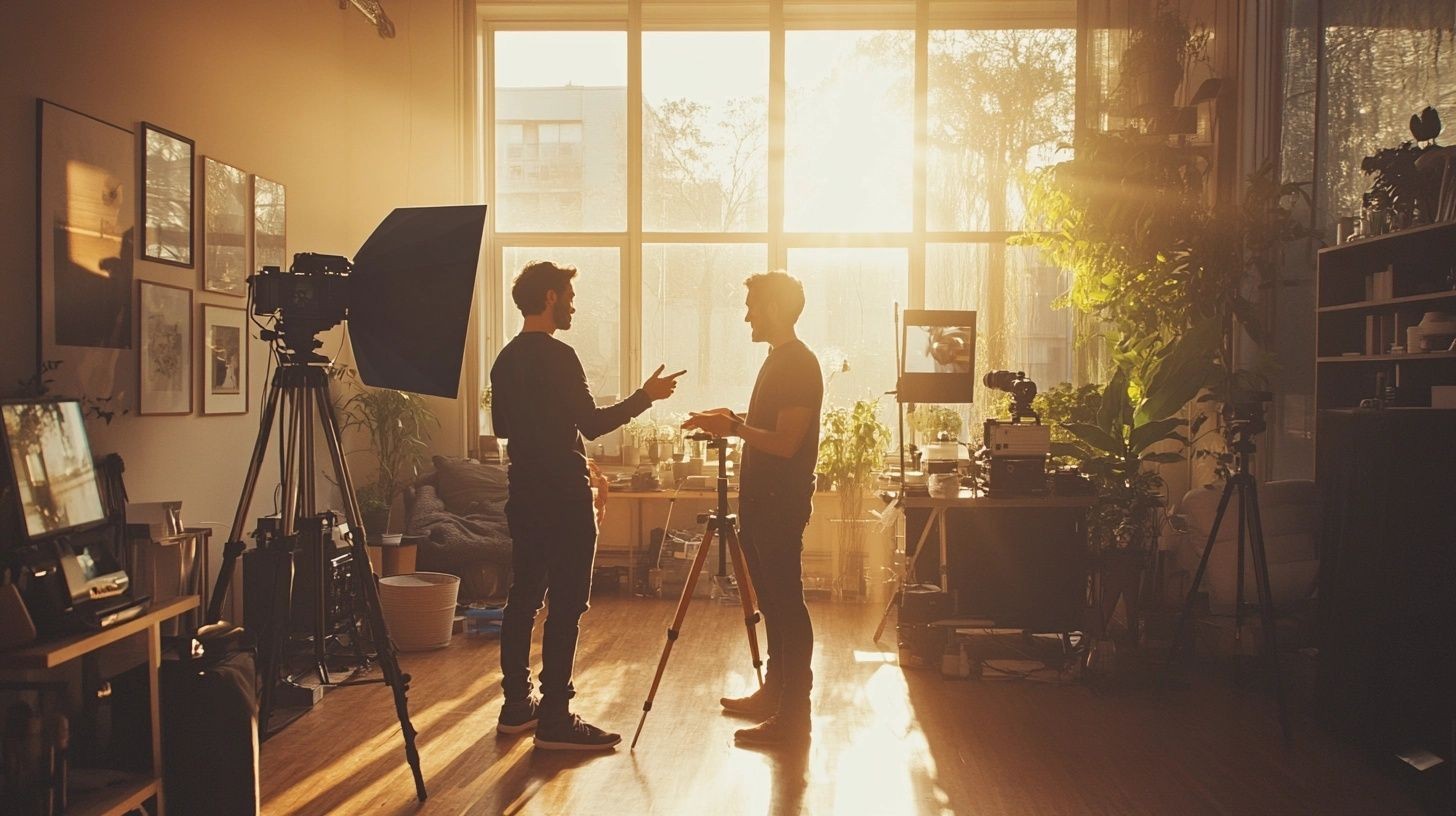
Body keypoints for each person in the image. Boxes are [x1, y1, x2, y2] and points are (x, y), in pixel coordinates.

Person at [491, 260, 683, 751]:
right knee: (568, 606)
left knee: (523, 599)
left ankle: (517, 706)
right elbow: (593, 425)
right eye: (569, 297)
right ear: (551, 297)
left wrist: (558, 445)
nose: (573, 305)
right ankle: (555, 717)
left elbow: (506, 429)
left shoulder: (505, 360)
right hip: (565, 500)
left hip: (526, 494)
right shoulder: (561, 356)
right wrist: (646, 395)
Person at [682, 270, 822, 746]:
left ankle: (794, 717)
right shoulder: (776, 361)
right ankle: (774, 695)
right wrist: (728, 421)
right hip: (760, 505)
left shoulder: (799, 364)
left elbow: (785, 443)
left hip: (781, 506)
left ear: (777, 309)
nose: (746, 315)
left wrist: (734, 427)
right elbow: (763, 428)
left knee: (786, 604)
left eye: (753, 306)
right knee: (772, 603)